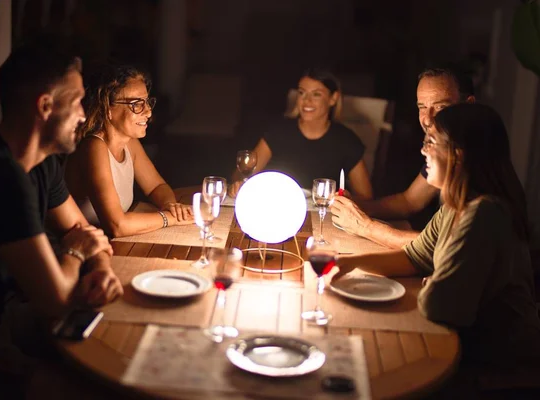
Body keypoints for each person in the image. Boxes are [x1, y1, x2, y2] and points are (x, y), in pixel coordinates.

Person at [0, 38, 123, 356]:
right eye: (77, 101)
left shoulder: (42, 161)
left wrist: (102, 270)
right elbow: (54, 299)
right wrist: (76, 254)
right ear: (45, 106)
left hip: (9, 313)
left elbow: (83, 232)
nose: (83, 114)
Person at [333, 103, 540, 367]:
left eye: (431, 142)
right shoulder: (455, 206)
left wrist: (435, 282)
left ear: (458, 155)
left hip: (501, 361)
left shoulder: (483, 213)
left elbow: (439, 306)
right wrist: (345, 264)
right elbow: (413, 256)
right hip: (470, 344)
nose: (423, 150)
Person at [330, 65, 476, 248]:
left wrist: (364, 226)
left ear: (468, 105)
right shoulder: (444, 150)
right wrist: (357, 207)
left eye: (440, 106)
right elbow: (409, 201)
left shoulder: (476, 160)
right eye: (422, 107)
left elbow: (441, 246)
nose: (428, 119)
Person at [65, 64, 193, 238]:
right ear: (107, 108)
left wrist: (171, 205)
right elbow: (117, 226)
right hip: (81, 252)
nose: (148, 112)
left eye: (147, 102)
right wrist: (169, 218)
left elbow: (156, 187)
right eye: (136, 104)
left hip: (111, 245)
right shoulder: (93, 147)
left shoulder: (129, 143)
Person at [229, 68, 373, 199]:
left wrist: (347, 198)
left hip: (322, 217)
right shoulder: (279, 131)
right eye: (301, 92)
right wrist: (237, 185)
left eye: (316, 94)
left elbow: (366, 198)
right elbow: (241, 175)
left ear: (333, 98)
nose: (306, 101)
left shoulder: (346, 140)